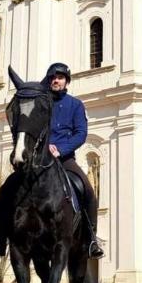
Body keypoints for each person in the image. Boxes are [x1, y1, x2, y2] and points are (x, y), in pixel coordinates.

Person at [43, 62, 103, 259]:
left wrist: (60, 150)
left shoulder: (75, 105)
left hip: (65, 159)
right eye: (53, 78)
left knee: (88, 191)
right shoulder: (41, 102)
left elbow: (81, 134)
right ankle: (0, 238)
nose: (56, 81)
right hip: (40, 158)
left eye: (59, 78)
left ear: (66, 81)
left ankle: (91, 238)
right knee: (9, 188)